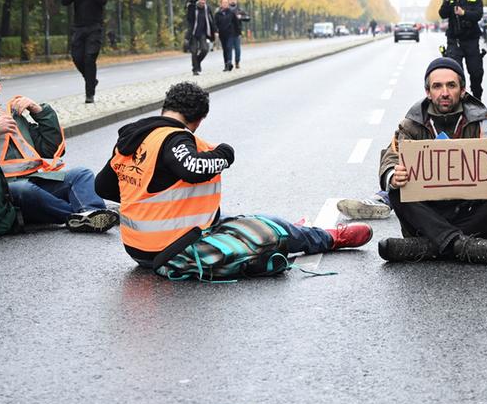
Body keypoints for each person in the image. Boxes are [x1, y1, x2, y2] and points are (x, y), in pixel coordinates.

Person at [96, 81, 371, 269]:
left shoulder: (135, 138)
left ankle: (296, 229)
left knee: (240, 220)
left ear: (165, 107)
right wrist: (224, 154)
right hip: (171, 248)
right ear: (198, 119)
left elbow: (103, 186)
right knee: (268, 228)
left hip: (137, 249)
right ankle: (328, 237)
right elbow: (192, 168)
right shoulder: (174, 138)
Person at [0, 58, 118, 232]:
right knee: (24, 190)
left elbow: (50, 148)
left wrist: (40, 112)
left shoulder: (12, 113)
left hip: (32, 179)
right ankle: (82, 215)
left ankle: (92, 212)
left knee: (81, 174)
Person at [377, 58, 487, 264]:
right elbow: (391, 157)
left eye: (451, 85)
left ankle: (428, 247)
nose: (444, 92)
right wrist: (392, 175)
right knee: (397, 192)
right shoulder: (410, 124)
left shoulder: (485, 122)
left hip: (470, 210)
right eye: (437, 86)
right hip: (428, 215)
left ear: (462, 90)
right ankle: (462, 246)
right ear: (428, 92)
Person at [60, 0, 108, 103]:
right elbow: (64, 2)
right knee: (76, 57)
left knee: (89, 58)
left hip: (94, 27)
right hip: (79, 28)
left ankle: (89, 95)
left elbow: (103, 0)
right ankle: (91, 80)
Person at [437, 0, 485, 98]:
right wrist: (446, 0)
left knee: (476, 72)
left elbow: (478, 15)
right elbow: (442, 14)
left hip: (471, 40)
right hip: (454, 41)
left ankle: (477, 98)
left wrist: (464, 13)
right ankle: (459, 99)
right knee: (455, 73)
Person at [185, 0, 216, 76]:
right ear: (198, 0)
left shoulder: (207, 8)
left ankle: (197, 62)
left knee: (205, 49)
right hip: (193, 33)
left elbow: (211, 20)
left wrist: (215, 30)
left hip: (203, 33)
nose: (203, 2)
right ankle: (195, 69)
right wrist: (190, 6)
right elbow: (188, 19)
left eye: (204, 0)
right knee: (194, 51)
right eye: (201, 0)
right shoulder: (193, 8)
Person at [213, 0, 241, 71]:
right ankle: (226, 65)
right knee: (225, 49)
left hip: (230, 33)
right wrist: (216, 31)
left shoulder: (231, 13)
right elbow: (215, 24)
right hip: (222, 34)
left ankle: (229, 62)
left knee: (229, 47)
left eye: (226, 3)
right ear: (221, 4)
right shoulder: (217, 14)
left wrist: (238, 33)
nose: (225, 4)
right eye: (224, 3)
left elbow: (236, 23)